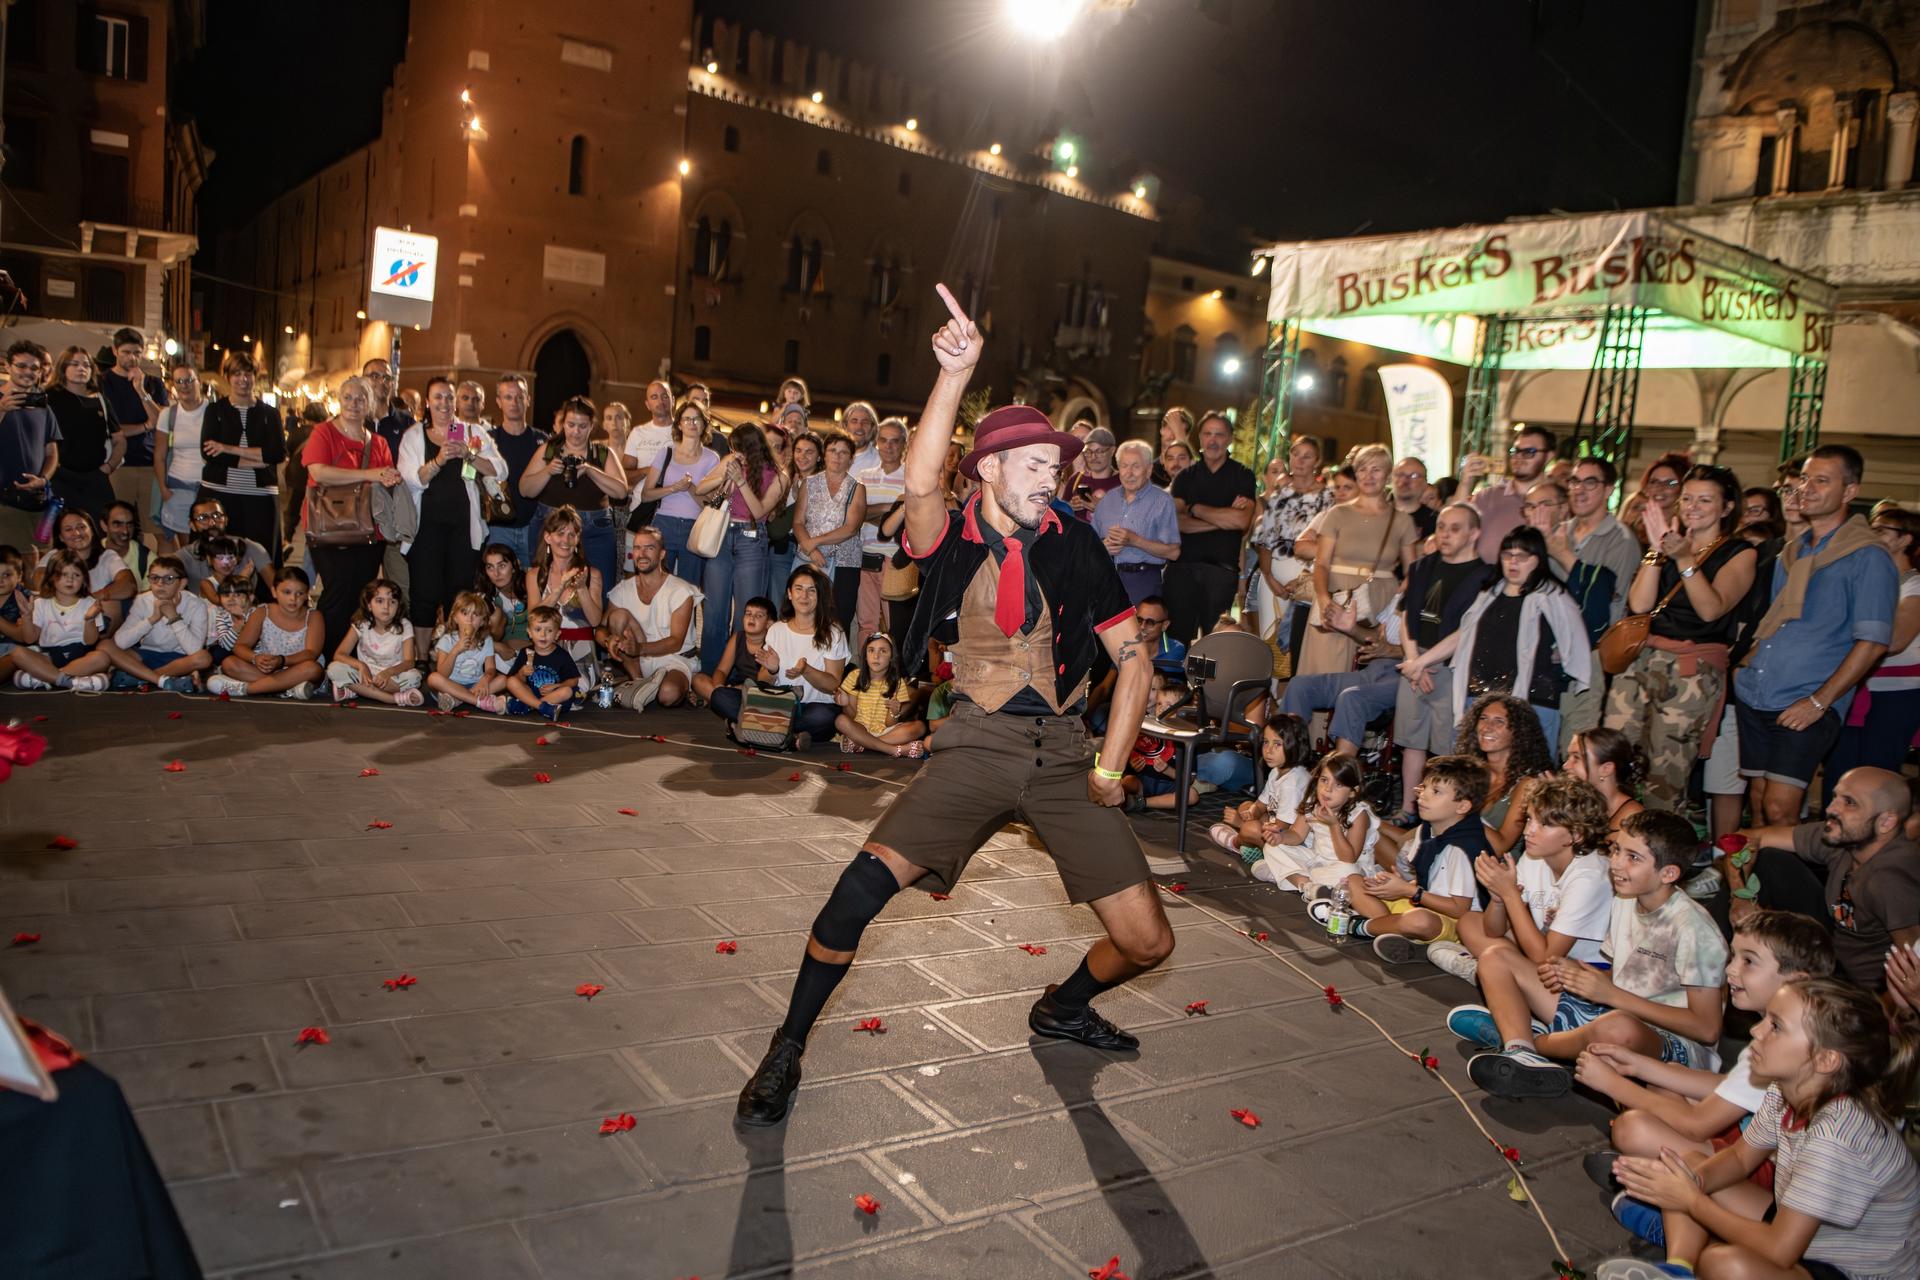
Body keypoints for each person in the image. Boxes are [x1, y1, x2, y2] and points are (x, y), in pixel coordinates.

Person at [735, 285, 1169, 1127]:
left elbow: (1132, 656)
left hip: (1064, 753)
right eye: (1039, 465)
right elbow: (925, 476)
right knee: (853, 897)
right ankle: (787, 1045)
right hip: (974, 743)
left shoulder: (1075, 541)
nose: (1058, 476)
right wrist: (955, 375)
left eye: (1060, 465)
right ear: (994, 469)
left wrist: (1111, 768)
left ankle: (1061, 1005)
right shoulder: (953, 530)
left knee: (1150, 943)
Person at [1596, 978, 1920, 1280]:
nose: (1755, 1031)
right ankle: (1678, 1268)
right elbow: (1739, 1159)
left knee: (1725, 1265)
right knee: (1687, 1167)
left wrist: (1692, 1202)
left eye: (1776, 1026)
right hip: (1801, 1228)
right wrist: (1686, 1184)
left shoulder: (1836, 1136)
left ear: (1826, 1060)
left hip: (1849, 1270)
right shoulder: (1784, 1089)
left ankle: (1699, 1236)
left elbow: (1780, 1251)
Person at [1450, 809, 1728, 1101]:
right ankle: (1522, 1052)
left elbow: (1706, 1029)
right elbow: (1623, 975)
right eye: (1617, 850)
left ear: (1669, 873)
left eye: (1633, 857)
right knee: (1496, 957)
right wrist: (1574, 975)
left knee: (1618, 1028)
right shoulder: (1625, 900)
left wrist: (1612, 995)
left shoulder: (1693, 929)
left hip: (1670, 1044)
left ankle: (1523, 1040)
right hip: (1613, 1012)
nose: (1617, 864)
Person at [1577, 911, 1834, 1175]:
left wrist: (1612, 1084)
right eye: (1734, 957)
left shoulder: (1784, 1043)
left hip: (1766, 1171)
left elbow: (1697, 1125)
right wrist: (1636, 1065)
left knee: (1632, 1129)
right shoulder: (1771, 1028)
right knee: (1666, 1076)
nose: (1730, 969)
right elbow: (1729, 1086)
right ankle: (1655, 1168)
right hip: (1749, 1141)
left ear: (1795, 981)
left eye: (1749, 961)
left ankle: (1666, 1182)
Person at [1735, 445, 1898, 825]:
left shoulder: (1867, 556)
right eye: (1805, 478)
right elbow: (1774, 622)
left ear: (1850, 491)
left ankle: (1783, 886)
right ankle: (1755, 886)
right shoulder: (1792, 553)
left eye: (1821, 480)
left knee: (1780, 808)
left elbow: (1873, 642)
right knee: (1757, 803)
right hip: (1757, 692)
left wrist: (1819, 702)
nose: (1807, 488)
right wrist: (1742, 668)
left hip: (1806, 701)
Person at [1604, 464, 1757, 811]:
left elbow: (1710, 610)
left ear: (1727, 507)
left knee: (1666, 771)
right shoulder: (1667, 544)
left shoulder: (1739, 552)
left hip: (1692, 668)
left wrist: (1685, 559)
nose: (1693, 507)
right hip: (1641, 658)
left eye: (1705, 500)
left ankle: (1657, 852)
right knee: (1613, 757)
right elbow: (1640, 604)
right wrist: (1658, 552)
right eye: (1688, 498)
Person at [1724, 765, 1920, 993]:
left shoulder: (1892, 879)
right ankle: (1711, 965)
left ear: (1886, 822)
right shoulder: (1843, 836)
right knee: (1770, 860)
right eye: (1835, 797)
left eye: (1850, 802)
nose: (1831, 808)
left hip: (1860, 988)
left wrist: (1880, 1016)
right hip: (1834, 941)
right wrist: (1739, 896)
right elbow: (1744, 839)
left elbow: (1912, 969)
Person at [1402, 525, 1591, 752]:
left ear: (1538, 559)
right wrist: (1420, 662)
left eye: (1521, 556)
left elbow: (1577, 642)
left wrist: (1557, 655)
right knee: (1477, 773)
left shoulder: (1552, 596)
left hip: (1532, 701)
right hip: (1481, 697)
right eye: (1507, 555)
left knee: (1529, 776)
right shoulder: (1489, 594)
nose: (1513, 562)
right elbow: (1464, 636)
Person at [1433, 776, 1613, 985]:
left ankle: (1496, 972)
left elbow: (1546, 957)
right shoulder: (1534, 856)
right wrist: (1499, 898)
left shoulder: (1590, 876)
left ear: (1576, 834)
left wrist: (1509, 894)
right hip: (1542, 952)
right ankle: (1498, 970)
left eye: (1544, 824)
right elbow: (1494, 930)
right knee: (1470, 922)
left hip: (1582, 971)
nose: (1528, 831)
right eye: (1529, 819)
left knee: (1512, 956)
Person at [1312, 753, 1490, 961]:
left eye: (1436, 792)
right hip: (1420, 902)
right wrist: (1397, 883)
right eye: (1423, 788)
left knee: (1419, 921)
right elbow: (1428, 882)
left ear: (1462, 806)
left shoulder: (1462, 846)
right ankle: (1394, 930)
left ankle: (1358, 925)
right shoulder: (1428, 829)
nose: (1422, 795)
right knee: (1353, 880)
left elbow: (1460, 909)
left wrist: (1409, 890)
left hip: (1453, 924)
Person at [1394, 501, 1497, 817]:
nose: (1445, 534)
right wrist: (1413, 661)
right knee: (1411, 740)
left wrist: (1422, 664)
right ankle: (1410, 807)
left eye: (1455, 528)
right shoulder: (1423, 566)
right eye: (1441, 527)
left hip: (1452, 665)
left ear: (1474, 533)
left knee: (1445, 745)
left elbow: (1469, 630)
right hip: (1415, 660)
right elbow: (1407, 615)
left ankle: (1444, 812)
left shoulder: (1486, 576)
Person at [301, 375, 402, 659]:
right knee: (336, 593)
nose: (353, 404)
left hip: (369, 530)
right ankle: (325, 655)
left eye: (360, 398)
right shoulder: (324, 432)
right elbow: (318, 473)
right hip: (328, 528)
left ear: (369, 404)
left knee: (360, 596)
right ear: (338, 400)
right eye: (348, 397)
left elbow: (385, 481)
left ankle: (352, 658)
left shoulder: (378, 442)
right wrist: (369, 475)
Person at [1298, 444, 1418, 676]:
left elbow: (1413, 572)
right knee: (1325, 673)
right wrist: (1324, 600)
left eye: (1376, 470)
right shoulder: (1337, 514)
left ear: (1388, 475)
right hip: (1336, 597)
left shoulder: (1402, 521)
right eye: (1362, 469)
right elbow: (1321, 563)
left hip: (1379, 602)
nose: (1368, 476)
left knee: (1366, 675)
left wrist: (1394, 608)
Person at [398, 376, 506, 631]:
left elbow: (500, 470)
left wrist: (469, 455)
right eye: (438, 397)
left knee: (459, 595)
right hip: (425, 530)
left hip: (463, 529)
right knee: (424, 595)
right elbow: (410, 480)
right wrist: (439, 460)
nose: (444, 403)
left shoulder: (472, 432)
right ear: (427, 402)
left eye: (449, 397)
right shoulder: (414, 436)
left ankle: (456, 655)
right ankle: (423, 659)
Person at [1825, 506, 1920, 777]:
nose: (1871, 535)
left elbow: (1895, 639)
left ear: (1906, 539)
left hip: (1895, 692)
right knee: (1839, 769)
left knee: (1876, 771)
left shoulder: (1914, 586)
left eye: (1880, 530)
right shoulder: (1870, 581)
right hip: (1854, 685)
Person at [714, 563, 848, 748]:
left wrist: (807, 670)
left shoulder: (833, 633)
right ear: (790, 594)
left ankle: (754, 729)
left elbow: (832, 684)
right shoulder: (777, 629)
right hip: (775, 704)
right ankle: (788, 738)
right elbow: (763, 681)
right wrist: (772, 669)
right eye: (799, 589)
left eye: (812, 590)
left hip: (809, 707)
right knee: (720, 696)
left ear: (820, 596)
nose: (804, 596)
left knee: (824, 717)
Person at [518, 395, 626, 597]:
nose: (576, 431)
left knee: (599, 591)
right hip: (551, 526)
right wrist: (548, 471)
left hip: (595, 529)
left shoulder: (602, 453)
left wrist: (591, 471)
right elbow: (525, 490)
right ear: (563, 424)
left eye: (582, 426)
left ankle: (592, 629)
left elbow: (621, 492)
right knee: (547, 587)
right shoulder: (549, 450)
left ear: (592, 426)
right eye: (571, 425)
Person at [1164, 411, 1256, 644]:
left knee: (1214, 644)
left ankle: (1208, 684)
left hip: (1221, 573)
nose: (1213, 440)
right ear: (1200, 438)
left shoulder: (1243, 475)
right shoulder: (1185, 476)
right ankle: (1173, 682)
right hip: (1181, 570)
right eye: (1207, 434)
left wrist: (1193, 508)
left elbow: (1241, 522)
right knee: (1176, 640)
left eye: (1219, 434)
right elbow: (1176, 523)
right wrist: (1223, 519)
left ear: (1230, 439)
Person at [700, 420, 784, 669]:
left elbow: (758, 512)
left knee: (747, 613)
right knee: (715, 609)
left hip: (752, 539)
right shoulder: (730, 462)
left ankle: (742, 673)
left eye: (739, 448)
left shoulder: (779, 476)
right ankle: (711, 670)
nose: (736, 453)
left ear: (754, 448)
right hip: (722, 535)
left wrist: (742, 481)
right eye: (733, 448)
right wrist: (724, 476)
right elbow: (701, 488)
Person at [197, 351, 287, 566]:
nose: (243, 380)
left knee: (262, 556)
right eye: (237, 374)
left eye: (248, 374)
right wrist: (260, 459)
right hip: (221, 494)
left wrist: (228, 448)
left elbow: (277, 454)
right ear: (228, 377)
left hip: (260, 495)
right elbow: (209, 453)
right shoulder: (215, 410)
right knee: (221, 554)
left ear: (255, 377)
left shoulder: (270, 414)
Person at [601, 524, 702, 712]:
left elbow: (675, 642)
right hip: (638, 660)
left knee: (668, 695)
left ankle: (656, 687)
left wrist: (639, 648)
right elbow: (601, 628)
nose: (642, 553)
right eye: (638, 548)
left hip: (674, 659)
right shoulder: (623, 589)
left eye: (650, 548)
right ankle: (639, 682)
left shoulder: (680, 590)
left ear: (662, 554)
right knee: (618, 616)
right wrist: (609, 640)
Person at [1253, 750, 1381, 895]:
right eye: (1324, 780)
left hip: (1346, 867)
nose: (1328, 789)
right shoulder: (1313, 803)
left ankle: (1290, 877)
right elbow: (1297, 835)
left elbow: (1349, 858)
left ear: (1352, 792)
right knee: (1273, 848)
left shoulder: (1358, 814)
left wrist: (1334, 826)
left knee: (1347, 873)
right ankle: (1307, 885)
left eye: (1338, 785)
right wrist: (1280, 837)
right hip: (1317, 860)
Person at [1450, 691, 1558, 857]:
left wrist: (1455, 809)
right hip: (1454, 855)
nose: (1487, 727)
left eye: (1499, 721)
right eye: (1483, 718)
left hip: (1493, 870)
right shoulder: (1470, 771)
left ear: (1518, 732)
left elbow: (1501, 846)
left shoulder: (1528, 783)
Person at [1249, 435, 1330, 649]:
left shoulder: (1328, 498)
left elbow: (1330, 543)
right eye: (1295, 454)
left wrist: (1308, 581)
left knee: (1301, 647)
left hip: (1312, 581)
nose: (1300, 460)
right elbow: (1264, 539)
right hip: (1273, 579)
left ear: (1317, 461)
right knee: (1270, 646)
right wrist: (1268, 577)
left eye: (1307, 456)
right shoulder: (1278, 495)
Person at [95, 554, 210, 693]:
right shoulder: (142, 600)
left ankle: (140, 677)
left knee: (203, 658)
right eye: (154, 578)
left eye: (168, 579)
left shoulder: (196, 604)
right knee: (105, 645)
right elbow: (120, 642)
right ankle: (161, 680)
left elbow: (194, 650)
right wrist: (152, 619)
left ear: (182, 583)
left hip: (179, 659)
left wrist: (173, 617)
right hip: (147, 654)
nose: (160, 584)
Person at [207, 566, 325, 699]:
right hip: (267, 669)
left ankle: (247, 689)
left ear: (307, 594)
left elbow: (311, 653)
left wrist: (282, 661)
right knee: (229, 663)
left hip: (298, 669)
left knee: (312, 668)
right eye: (286, 592)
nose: (293, 598)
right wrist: (255, 658)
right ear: (274, 592)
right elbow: (240, 646)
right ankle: (287, 689)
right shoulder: (263, 611)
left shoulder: (313, 616)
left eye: (300, 593)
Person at [637, 400, 721, 583]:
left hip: (695, 527)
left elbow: (712, 504)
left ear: (704, 424)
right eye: (687, 419)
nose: (692, 423)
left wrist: (691, 488)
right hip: (663, 524)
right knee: (657, 582)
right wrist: (673, 488)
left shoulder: (712, 458)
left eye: (697, 419)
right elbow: (646, 495)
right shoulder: (665, 452)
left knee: (689, 586)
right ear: (679, 424)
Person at [792, 429, 866, 632]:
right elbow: (798, 522)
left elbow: (851, 528)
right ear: (824, 454)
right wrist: (810, 549)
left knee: (838, 619)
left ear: (851, 459)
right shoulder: (809, 483)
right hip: (809, 559)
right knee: (805, 617)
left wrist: (814, 542)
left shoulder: (857, 488)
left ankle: (834, 663)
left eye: (843, 452)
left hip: (844, 563)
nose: (837, 456)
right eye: (833, 450)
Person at [1091, 440, 1181, 605]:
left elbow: (1173, 552)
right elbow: (1089, 544)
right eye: (1124, 466)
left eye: (1136, 466)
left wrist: (1135, 541)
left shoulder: (1162, 501)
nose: (1129, 473)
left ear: (1149, 470)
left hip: (1144, 582)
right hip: (1107, 580)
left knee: (1142, 631)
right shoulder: (1108, 500)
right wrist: (1103, 547)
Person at [9, 550, 110, 691]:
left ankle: (47, 679)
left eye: (76, 575)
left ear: (84, 580)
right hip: (50, 656)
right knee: (17, 653)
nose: (70, 580)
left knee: (102, 658)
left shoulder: (90, 603)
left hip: (81, 655)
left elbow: (90, 641)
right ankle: (74, 682)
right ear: (51, 577)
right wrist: (26, 617)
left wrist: (89, 619)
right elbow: (29, 639)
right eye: (63, 575)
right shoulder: (41, 603)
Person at [524, 505, 604, 677]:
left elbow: (596, 620)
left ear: (578, 539)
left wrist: (582, 589)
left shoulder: (592, 574)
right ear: (547, 537)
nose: (565, 541)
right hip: (545, 648)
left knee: (571, 692)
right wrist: (559, 588)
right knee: (541, 686)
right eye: (560, 533)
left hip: (581, 652)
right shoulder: (534, 575)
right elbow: (533, 616)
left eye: (572, 535)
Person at [45, 346, 122, 521]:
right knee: (61, 533)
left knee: (103, 528)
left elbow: (119, 439)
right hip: (60, 478)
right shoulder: (49, 397)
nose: (81, 368)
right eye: (75, 364)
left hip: (95, 477)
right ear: (63, 368)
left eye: (86, 365)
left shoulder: (101, 400)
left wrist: (109, 466)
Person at [96, 328, 167, 516]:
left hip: (150, 463)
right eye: (126, 352)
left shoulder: (153, 383)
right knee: (120, 523)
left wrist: (141, 391)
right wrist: (144, 426)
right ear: (115, 351)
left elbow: (162, 422)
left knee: (156, 527)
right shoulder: (102, 382)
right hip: (118, 463)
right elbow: (109, 428)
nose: (132, 358)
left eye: (137, 353)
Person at [324, 578, 423, 706]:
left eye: (392, 601)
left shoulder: (404, 626)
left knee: (414, 677)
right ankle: (391, 699)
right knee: (334, 668)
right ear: (369, 605)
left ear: (398, 606)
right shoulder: (361, 623)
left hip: (392, 676)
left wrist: (389, 672)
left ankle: (357, 691)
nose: (386, 606)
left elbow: (409, 662)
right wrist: (361, 666)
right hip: (366, 675)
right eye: (379, 601)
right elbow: (339, 654)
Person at [0, 341, 59, 552]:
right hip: (5, 503)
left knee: (44, 562)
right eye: (21, 366)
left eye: (34, 368)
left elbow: (52, 452)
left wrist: (43, 480)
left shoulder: (43, 407)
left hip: (41, 502)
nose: (28, 372)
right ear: (8, 366)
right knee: (11, 566)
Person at [483, 374, 547, 568]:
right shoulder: (488, 441)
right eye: (508, 397)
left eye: (520, 397)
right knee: (497, 585)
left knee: (534, 586)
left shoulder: (543, 441)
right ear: (498, 402)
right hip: (499, 528)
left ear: (528, 400)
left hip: (534, 526)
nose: (514, 402)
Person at [853, 416, 908, 639]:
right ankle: (867, 673)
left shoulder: (911, 478)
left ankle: (894, 673)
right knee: (866, 623)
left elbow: (908, 520)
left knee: (896, 624)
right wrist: (891, 508)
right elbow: (855, 514)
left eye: (895, 441)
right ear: (877, 442)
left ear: (904, 443)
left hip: (896, 560)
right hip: (865, 556)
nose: (889, 446)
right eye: (884, 440)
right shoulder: (863, 476)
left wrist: (868, 511)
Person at [1466, 424, 1554, 561]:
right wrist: (1465, 482)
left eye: (1529, 452)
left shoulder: (1558, 500)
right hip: (1485, 579)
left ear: (1548, 456)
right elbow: (1454, 523)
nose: (1519, 457)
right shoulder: (1487, 497)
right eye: (1515, 451)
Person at [834, 631, 927, 757]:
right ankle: (893, 750)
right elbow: (853, 716)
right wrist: (845, 705)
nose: (876, 656)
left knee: (919, 727)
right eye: (871, 650)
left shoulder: (897, 682)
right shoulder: (855, 676)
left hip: (886, 732)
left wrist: (894, 713)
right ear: (865, 656)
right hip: (860, 729)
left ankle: (864, 745)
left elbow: (890, 724)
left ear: (891, 657)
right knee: (841, 721)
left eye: (883, 651)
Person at [151, 362, 209, 552]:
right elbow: (159, 455)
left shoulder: (213, 412)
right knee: (189, 548)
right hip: (179, 487)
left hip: (208, 488)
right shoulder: (168, 414)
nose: (185, 385)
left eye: (189, 380)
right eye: (179, 381)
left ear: (199, 382)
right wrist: (163, 488)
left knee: (211, 543)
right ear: (174, 386)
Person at [43, 508, 135, 627]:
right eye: (68, 529)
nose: (76, 533)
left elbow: (129, 585)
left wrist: (91, 598)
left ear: (91, 530)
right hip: (61, 619)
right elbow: (40, 583)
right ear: (61, 537)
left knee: (111, 603)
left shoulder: (107, 556)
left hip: (96, 623)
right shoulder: (53, 556)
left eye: (81, 527)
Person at [425, 590, 507, 712]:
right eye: (464, 613)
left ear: (483, 621)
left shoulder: (487, 641)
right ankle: (480, 701)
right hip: (450, 684)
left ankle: (458, 699)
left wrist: (485, 680)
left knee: (503, 680)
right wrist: (456, 650)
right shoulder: (447, 640)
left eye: (475, 614)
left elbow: (491, 669)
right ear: (455, 618)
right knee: (433, 678)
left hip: (475, 685)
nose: (469, 619)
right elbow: (442, 674)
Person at [176, 497, 271, 599]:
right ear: (192, 525)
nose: (212, 523)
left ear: (226, 520)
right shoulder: (185, 555)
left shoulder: (250, 547)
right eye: (203, 518)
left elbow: (277, 587)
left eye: (217, 516)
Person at [693, 593, 775, 711]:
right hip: (735, 688)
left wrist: (737, 689)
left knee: (755, 696)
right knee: (698, 679)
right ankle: (723, 702)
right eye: (748, 614)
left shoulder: (771, 643)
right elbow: (721, 670)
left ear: (769, 623)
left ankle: (723, 705)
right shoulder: (738, 637)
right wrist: (719, 688)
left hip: (758, 690)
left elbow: (766, 682)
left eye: (759, 616)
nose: (751, 618)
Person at [501, 605, 582, 720]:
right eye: (538, 629)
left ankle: (527, 705)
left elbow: (574, 680)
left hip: (554, 697)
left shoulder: (562, 655)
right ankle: (542, 707)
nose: (543, 635)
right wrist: (522, 673)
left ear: (557, 635)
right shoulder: (525, 653)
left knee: (567, 691)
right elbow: (517, 680)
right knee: (510, 681)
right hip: (530, 693)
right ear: (529, 632)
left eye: (549, 630)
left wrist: (557, 686)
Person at [1563, 726, 1647, 833]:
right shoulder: (1577, 801)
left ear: (1606, 769)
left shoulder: (1631, 818)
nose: (1565, 766)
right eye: (1568, 757)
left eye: (1576, 758)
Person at [1625, 451, 1691, 547]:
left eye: (1670, 483)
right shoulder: (1634, 529)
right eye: (1654, 482)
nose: (1660, 488)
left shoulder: (1689, 531)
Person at [478, 543, 529, 658]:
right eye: (490, 567)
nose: (496, 574)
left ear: (515, 566)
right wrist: (494, 646)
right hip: (501, 652)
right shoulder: (486, 596)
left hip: (534, 647)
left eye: (501, 566)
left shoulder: (530, 585)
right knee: (495, 615)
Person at [1064, 426, 1121, 519]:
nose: (1093, 457)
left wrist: (1102, 511)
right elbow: (1061, 516)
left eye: (1099, 451)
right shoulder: (1075, 480)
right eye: (1088, 451)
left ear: (1112, 450)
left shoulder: (1123, 482)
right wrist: (1069, 507)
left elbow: (1133, 520)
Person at [1391, 455, 1437, 541]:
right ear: (1391, 479)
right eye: (1400, 475)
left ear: (1425, 483)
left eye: (1414, 476)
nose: (1405, 480)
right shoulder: (1375, 514)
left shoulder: (1436, 521)